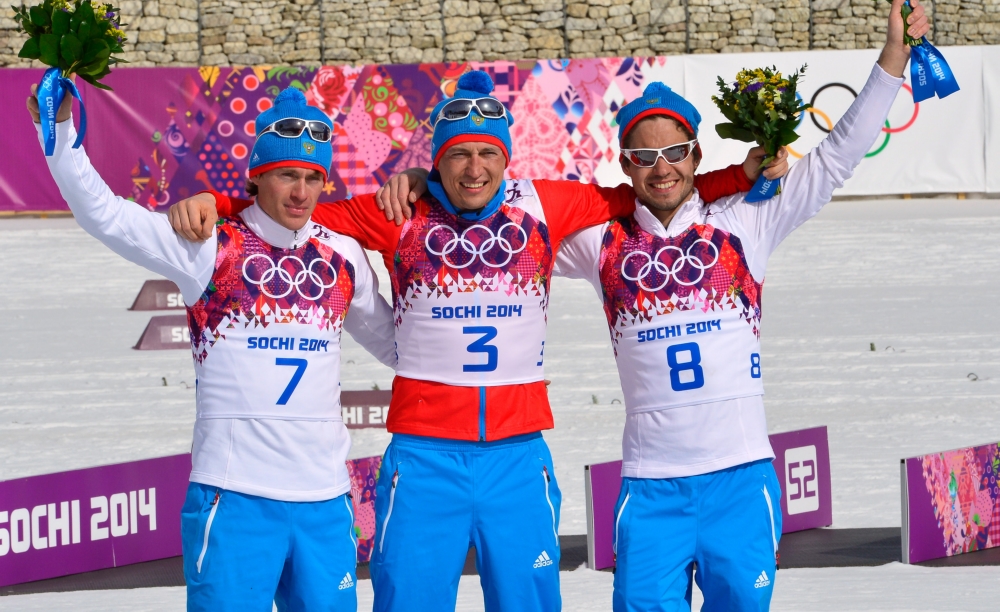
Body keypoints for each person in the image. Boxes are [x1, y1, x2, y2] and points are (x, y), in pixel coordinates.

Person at [169, 71, 781, 612]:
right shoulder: (399, 211)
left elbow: (647, 191)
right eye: (458, 154)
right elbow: (296, 210)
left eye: (488, 152)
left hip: (516, 455)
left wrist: (739, 175)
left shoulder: (543, 202)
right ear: (437, 161)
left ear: (507, 157)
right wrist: (220, 203)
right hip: (423, 455)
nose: (474, 167)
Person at [549, 0, 928, 611]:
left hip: (740, 481)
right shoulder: (601, 243)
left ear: (698, 156)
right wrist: (426, 183)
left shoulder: (745, 220)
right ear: (626, 165)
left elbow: (837, 159)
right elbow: (510, 235)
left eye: (675, 152)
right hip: (650, 491)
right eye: (644, 158)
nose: (662, 168)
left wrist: (892, 57)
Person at [27, 85, 396, 612]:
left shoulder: (343, 256)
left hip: (325, 502)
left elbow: (401, 347)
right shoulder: (210, 246)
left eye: (313, 177)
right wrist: (62, 132)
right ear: (257, 176)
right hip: (234, 497)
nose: (301, 191)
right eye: (287, 175)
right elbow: (106, 216)